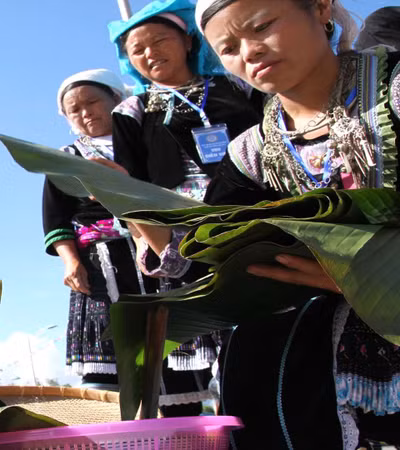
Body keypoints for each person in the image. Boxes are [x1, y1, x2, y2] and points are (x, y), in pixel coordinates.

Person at [131, 0, 400, 447]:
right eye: (229, 47)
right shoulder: (252, 152)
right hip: (334, 355)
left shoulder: (391, 90)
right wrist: (132, 207)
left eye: (262, 26)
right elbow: (208, 252)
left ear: (320, 8)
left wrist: (369, 274)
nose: (250, 51)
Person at [106, 0, 263, 416]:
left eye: (159, 40)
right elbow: (129, 184)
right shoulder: (131, 111)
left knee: (263, 325)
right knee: (211, 342)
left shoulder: (237, 86)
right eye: (137, 49)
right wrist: (148, 242)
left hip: (250, 215)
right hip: (180, 231)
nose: (149, 53)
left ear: (189, 41)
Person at [44, 69, 158, 390]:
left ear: (117, 100)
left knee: (169, 349)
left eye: (92, 102)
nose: (85, 113)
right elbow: (56, 220)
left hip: (156, 252)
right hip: (101, 267)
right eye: (74, 110)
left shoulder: (145, 143)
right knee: (108, 361)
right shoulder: (64, 160)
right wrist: (72, 262)